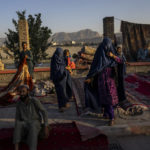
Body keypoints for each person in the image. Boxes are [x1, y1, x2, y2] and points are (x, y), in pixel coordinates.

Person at [84, 38, 124, 126]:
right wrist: (90, 77)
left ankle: (111, 117)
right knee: (103, 97)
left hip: (110, 80)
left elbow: (121, 61)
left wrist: (113, 56)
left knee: (110, 97)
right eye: (105, 45)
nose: (106, 47)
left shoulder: (113, 53)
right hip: (101, 79)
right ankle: (107, 114)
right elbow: (94, 67)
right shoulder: (99, 53)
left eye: (108, 45)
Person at [13, 85, 49, 150]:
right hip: (25, 123)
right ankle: (16, 147)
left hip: (35, 122)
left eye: (23, 91)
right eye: (20, 92)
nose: (22, 94)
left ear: (28, 92)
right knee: (18, 123)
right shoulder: (18, 103)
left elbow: (44, 112)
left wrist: (46, 126)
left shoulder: (34, 101)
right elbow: (17, 117)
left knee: (33, 126)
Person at [50, 48, 72, 112]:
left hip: (63, 78)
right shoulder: (54, 60)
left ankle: (65, 103)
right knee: (60, 93)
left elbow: (66, 65)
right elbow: (54, 70)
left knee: (64, 91)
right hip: (57, 79)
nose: (59, 56)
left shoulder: (62, 59)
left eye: (60, 54)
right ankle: (61, 106)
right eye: (58, 54)